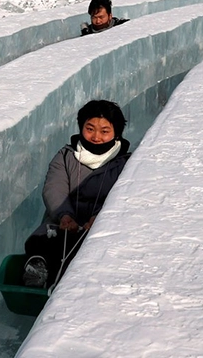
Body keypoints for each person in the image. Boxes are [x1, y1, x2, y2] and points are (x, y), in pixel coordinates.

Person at [22, 99, 132, 289]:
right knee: (43, 240)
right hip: (63, 223)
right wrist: (65, 215)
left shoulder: (126, 163)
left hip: (100, 226)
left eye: (104, 131)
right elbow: (54, 188)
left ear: (116, 134)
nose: (96, 136)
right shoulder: (66, 156)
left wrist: (100, 218)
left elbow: (124, 195)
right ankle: (37, 270)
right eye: (90, 129)